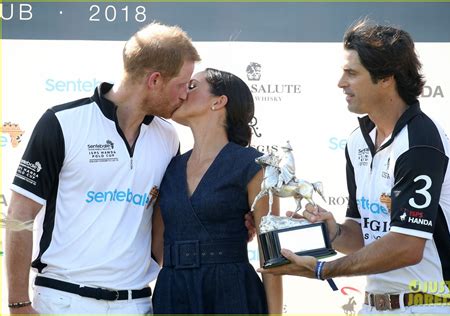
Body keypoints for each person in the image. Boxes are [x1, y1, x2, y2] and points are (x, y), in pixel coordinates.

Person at [259, 19, 450, 314]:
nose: (341, 82)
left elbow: (407, 246)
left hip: (429, 304)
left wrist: (325, 269)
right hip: (373, 306)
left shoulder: (419, 142)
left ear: (386, 78)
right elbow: (366, 236)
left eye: (351, 73)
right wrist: (333, 232)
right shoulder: (358, 141)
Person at [5, 22, 201, 314]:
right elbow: (19, 215)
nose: (186, 94)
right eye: (182, 84)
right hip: (62, 302)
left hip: (136, 304)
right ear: (155, 80)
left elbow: (165, 220)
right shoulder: (62, 122)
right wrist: (18, 302)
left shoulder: (168, 136)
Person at [151, 68, 283, 314]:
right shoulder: (169, 167)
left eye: (191, 87)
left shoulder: (256, 166)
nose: (181, 93)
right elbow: (154, 247)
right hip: (172, 292)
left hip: (232, 293)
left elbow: (271, 256)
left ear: (218, 101)